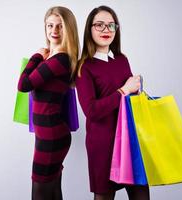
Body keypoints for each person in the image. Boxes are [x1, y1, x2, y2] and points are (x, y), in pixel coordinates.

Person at [75, 5, 150, 200]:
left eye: (111, 25)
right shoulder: (85, 67)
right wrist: (124, 90)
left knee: (141, 195)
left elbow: (130, 100)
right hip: (103, 145)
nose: (106, 30)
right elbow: (91, 111)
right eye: (99, 25)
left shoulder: (122, 60)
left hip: (130, 142)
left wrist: (137, 89)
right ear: (89, 30)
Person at [17, 6, 79, 200]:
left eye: (60, 26)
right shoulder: (54, 58)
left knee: (39, 193)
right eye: (50, 25)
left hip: (52, 137)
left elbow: (24, 84)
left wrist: (36, 56)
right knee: (52, 192)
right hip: (48, 135)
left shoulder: (58, 60)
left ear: (68, 30)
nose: (54, 31)